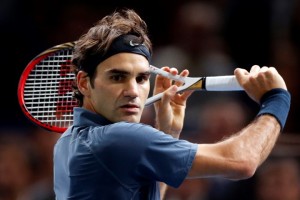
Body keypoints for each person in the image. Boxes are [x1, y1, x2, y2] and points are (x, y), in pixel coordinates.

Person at [53, 8, 291, 200]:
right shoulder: (117, 139)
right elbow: (242, 161)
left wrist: (168, 132)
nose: (133, 91)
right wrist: (276, 99)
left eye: (142, 78)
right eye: (117, 77)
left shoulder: (67, 142)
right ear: (84, 83)